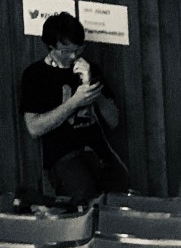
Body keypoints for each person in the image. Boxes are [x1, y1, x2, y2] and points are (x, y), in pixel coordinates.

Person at [19, 13, 125, 208]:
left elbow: (114, 120)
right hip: (64, 157)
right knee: (86, 203)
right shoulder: (35, 75)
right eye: (66, 51)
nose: (73, 56)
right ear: (50, 47)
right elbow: (34, 128)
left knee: (121, 199)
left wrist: (92, 88)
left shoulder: (90, 68)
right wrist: (74, 102)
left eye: (78, 50)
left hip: (99, 154)